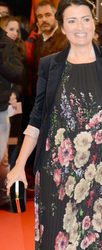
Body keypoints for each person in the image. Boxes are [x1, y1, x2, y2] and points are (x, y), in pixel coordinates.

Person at [6, 0, 102, 249]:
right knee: (59, 240)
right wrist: (19, 165)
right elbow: (37, 119)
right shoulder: (50, 65)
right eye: (72, 20)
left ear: (93, 22)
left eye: (85, 19)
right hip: (58, 173)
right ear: (62, 27)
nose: (80, 26)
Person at [0, 25, 24, 207]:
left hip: (4, 106)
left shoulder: (6, 45)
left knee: (4, 155)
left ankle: (4, 194)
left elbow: (18, 74)